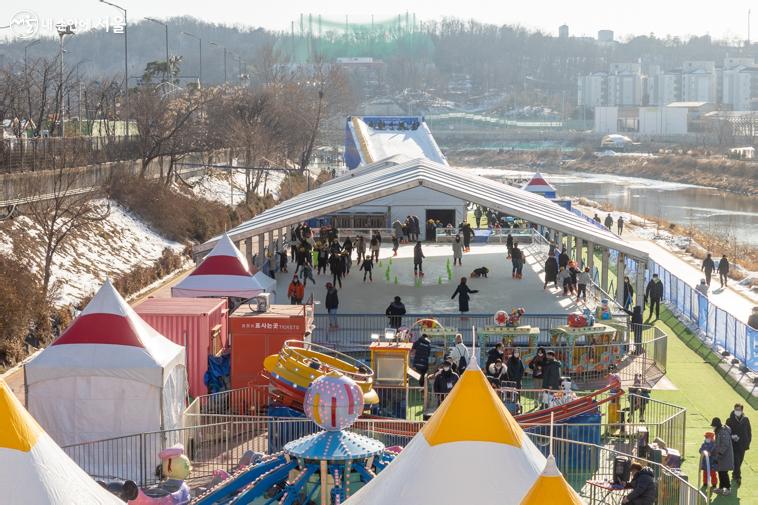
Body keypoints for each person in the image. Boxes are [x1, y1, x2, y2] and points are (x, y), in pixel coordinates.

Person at [726, 403, 751, 485]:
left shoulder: (746, 419)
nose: (737, 411)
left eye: (739, 410)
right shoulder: (729, 420)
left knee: (739, 461)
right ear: (734, 410)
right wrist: (732, 436)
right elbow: (727, 432)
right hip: (734, 445)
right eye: (736, 409)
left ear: (742, 410)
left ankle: (734, 474)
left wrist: (748, 441)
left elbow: (749, 432)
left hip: (743, 445)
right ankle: (738, 477)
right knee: (736, 461)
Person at [711, 417, 734, 495]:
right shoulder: (719, 431)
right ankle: (721, 488)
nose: (713, 427)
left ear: (716, 426)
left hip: (725, 456)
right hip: (722, 456)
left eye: (713, 426)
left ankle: (728, 488)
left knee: (724, 472)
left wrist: (720, 453)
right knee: (721, 471)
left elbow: (725, 444)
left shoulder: (722, 432)